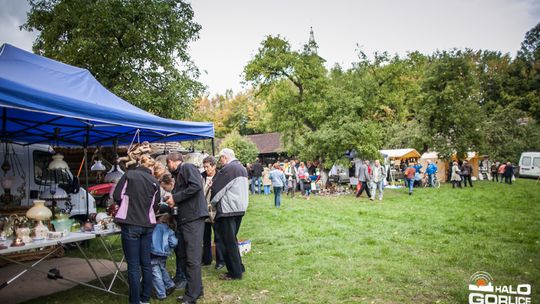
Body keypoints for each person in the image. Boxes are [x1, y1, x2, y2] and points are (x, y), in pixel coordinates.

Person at [113, 155, 160, 304]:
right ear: (150, 167)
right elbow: (155, 205)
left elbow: (116, 195)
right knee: (145, 263)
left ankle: (135, 301)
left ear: (139, 163)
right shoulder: (154, 182)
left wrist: (127, 204)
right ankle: (145, 298)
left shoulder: (129, 175)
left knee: (133, 266)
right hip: (147, 225)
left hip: (131, 223)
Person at [165, 152, 208, 304]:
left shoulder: (187, 167)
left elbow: (196, 186)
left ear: (171, 161)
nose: (168, 167)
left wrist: (175, 197)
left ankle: (191, 296)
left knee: (192, 258)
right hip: (186, 219)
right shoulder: (179, 174)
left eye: (167, 164)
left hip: (193, 218)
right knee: (187, 257)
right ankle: (197, 290)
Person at [210, 148, 249, 280]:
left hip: (228, 209)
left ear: (225, 157)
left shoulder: (229, 169)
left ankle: (234, 272)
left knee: (228, 242)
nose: (220, 162)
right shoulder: (241, 168)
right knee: (232, 239)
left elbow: (217, 190)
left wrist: (212, 204)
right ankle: (239, 267)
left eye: (220, 158)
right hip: (239, 208)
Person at [201, 156, 225, 270]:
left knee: (218, 237)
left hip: (216, 211)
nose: (206, 169)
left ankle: (220, 261)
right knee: (205, 237)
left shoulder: (220, 177)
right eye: (204, 167)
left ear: (214, 166)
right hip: (204, 211)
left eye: (208, 166)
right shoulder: (201, 177)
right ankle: (206, 259)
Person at [150, 213, 178, 301]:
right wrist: (168, 248)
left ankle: (161, 294)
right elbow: (174, 243)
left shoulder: (154, 227)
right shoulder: (169, 230)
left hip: (153, 252)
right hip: (164, 253)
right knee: (162, 268)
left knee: (155, 273)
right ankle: (170, 285)